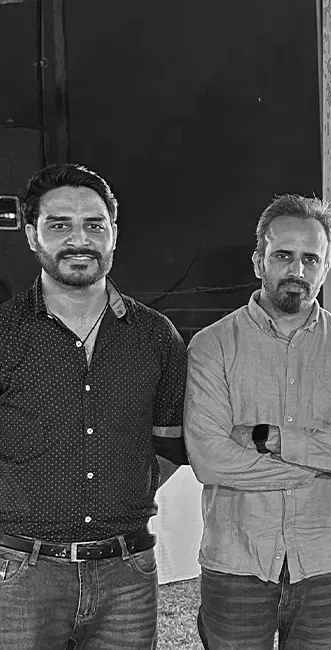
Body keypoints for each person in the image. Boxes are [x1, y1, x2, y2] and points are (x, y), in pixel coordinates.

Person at [184, 195, 331, 649]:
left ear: (325, 266)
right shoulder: (211, 346)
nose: (297, 269)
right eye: (283, 255)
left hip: (326, 565)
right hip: (237, 562)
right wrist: (327, 459)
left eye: (310, 258)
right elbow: (211, 461)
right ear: (259, 260)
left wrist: (272, 439)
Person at [0, 163, 188, 649]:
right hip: (21, 572)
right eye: (59, 225)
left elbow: (169, 447)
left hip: (126, 572)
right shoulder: (4, 333)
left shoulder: (155, 336)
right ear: (31, 234)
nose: (79, 239)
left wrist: (114, 488)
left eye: (94, 225)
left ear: (113, 234)